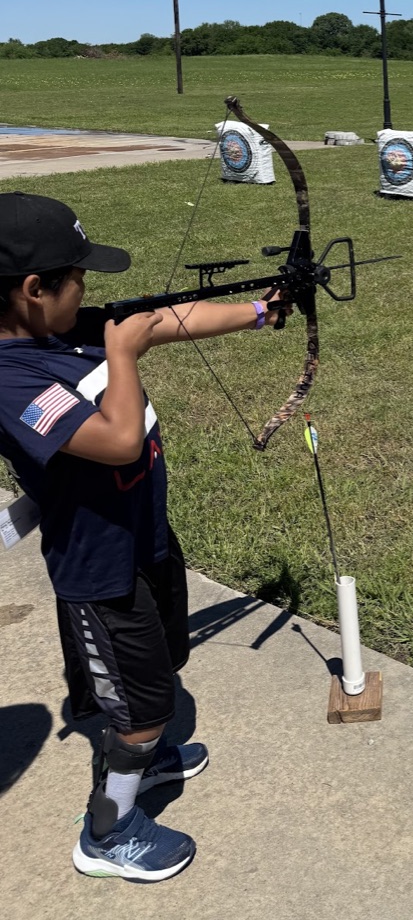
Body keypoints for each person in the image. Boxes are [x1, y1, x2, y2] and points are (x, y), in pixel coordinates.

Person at [0, 191, 286, 882]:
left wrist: (257, 312)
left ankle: (145, 756)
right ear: (35, 290)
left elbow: (163, 320)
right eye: (78, 282)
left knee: (161, 666)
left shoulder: (61, 330)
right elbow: (121, 441)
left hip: (143, 539)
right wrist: (124, 354)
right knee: (141, 704)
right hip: (98, 569)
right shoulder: (10, 379)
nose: (90, 294)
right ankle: (109, 828)